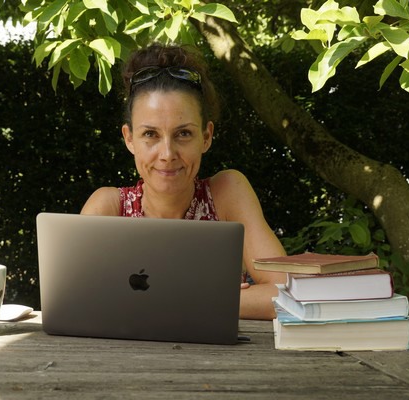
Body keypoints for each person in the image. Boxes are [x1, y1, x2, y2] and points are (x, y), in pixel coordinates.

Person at [81, 43, 286, 320]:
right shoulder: (108, 209)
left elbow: (285, 294)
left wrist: (175, 299)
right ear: (129, 139)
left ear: (206, 137)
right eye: (150, 134)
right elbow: (78, 299)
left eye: (184, 134)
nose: (167, 154)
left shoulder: (227, 193)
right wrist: (212, 299)